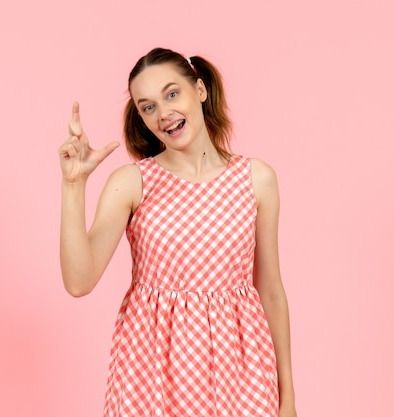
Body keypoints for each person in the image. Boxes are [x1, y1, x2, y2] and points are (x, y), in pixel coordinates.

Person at [59, 47, 297, 417]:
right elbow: (79, 281)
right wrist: (74, 186)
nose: (164, 113)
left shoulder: (257, 179)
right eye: (148, 106)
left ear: (199, 90)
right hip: (150, 371)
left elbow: (271, 291)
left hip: (241, 371)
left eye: (172, 94)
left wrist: (288, 399)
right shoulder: (132, 182)